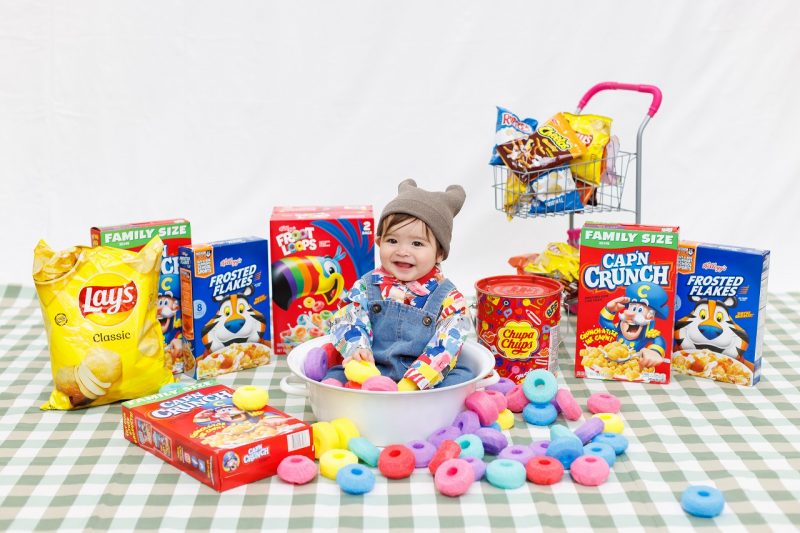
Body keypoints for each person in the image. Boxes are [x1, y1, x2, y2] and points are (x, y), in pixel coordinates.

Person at [324, 179, 472, 390]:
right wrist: (357, 349)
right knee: (336, 371)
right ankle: (335, 391)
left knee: (462, 376)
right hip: (372, 369)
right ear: (379, 242)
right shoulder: (367, 286)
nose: (402, 251)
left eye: (417, 243)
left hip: (425, 378)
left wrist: (414, 382)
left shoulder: (450, 299)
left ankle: (428, 400)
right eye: (392, 241)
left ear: (440, 253)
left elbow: (447, 344)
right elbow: (348, 317)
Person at [599, 281, 668, 368]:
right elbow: (605, 323)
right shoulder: (619, 328)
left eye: (640, 310)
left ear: (650, 317)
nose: (630, 314)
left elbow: (659, 340)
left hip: (635, 366)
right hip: (614, 364)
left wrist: (655, 352)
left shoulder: (647, 333)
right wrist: (609, 310)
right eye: (632, 308)